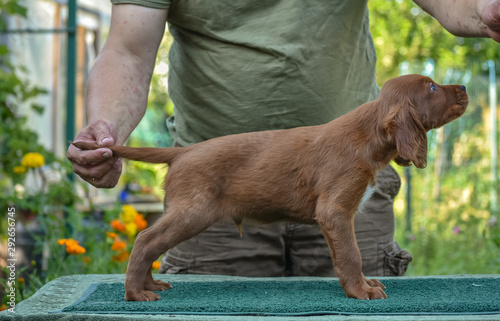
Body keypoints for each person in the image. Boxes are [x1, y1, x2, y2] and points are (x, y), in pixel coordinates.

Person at [67, 0, 500, 277]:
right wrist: (107, 129)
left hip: (358, 186)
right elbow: (127, 48)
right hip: (220, 177)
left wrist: (485, 9)